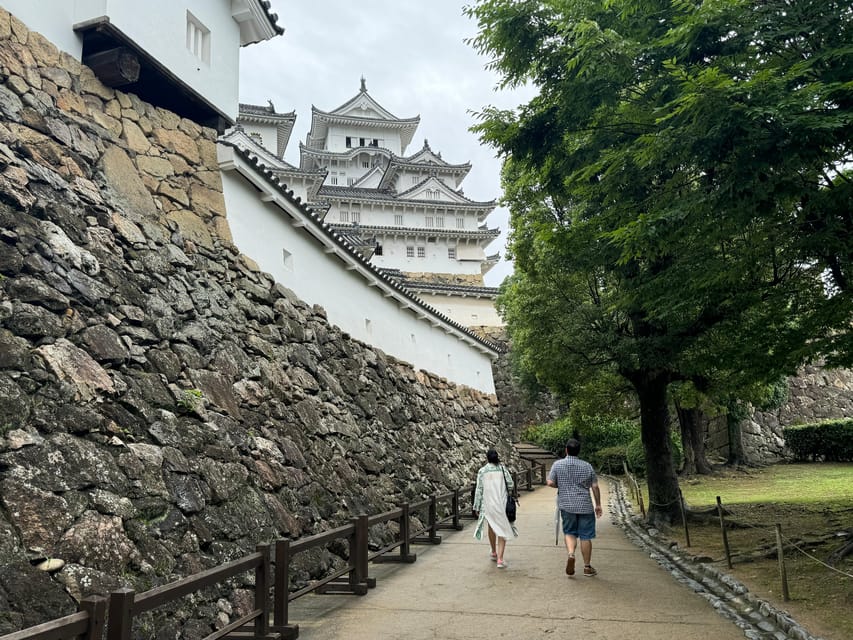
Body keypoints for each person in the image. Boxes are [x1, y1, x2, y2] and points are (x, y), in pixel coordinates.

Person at [547, 438, 603, 577]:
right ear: (579, 451)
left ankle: (571, 554)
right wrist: (598, 505)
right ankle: (587, 567)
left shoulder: (558, 465)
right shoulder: (587, 466)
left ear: (566, 450)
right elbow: (595, 486)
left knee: (570, 532)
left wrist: (560, 486)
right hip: (585, 505)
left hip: (566, 505)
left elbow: (550, 482)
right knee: (586, 535)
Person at [473, 448, 517, 568]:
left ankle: (493, 552)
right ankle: (500, 559)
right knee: (502, 529)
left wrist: (476, 506)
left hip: (488, 504)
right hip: (501, 504)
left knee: (491, 526)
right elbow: (511, 484)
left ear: (487, 458)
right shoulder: (502, 469)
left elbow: (479, 490)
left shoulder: (482, 471)